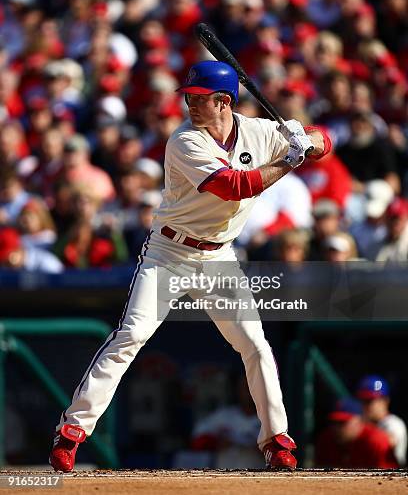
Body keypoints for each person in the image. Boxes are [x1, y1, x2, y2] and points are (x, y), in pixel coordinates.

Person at [49, 60, 330, 472]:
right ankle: (71, 431)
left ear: (224, 102)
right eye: (189, 99)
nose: (190, 106)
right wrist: (291, 158)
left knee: (254, 345)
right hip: (169, 254)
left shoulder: (258, 130)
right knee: (131, 335)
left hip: (218, 255)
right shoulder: (184, 141)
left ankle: (276, 439)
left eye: (199, 99)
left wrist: (306, 138)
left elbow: (325, 140)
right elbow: (235, 186)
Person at [315, 398, 399, 469]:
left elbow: (390, 479)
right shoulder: (326, 439)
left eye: (342, 422)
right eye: (334, 422)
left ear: (359, 420)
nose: (336, 428)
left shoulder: (376, 441)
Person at [356, 375, 407, 467]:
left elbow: (386, 444)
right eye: (363, 400)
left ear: (385, 401)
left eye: (370, 401)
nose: (366, 405)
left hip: (391, 475)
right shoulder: (364, 422)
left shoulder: (393, 423)